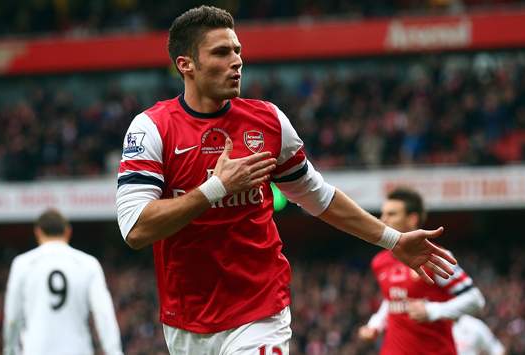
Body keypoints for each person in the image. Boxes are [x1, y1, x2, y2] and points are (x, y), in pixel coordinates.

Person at [115, 6, 457, 354]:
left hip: (260, 311)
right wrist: (215, 189)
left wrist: (393, 240)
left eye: (237, 51)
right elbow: (136, 229)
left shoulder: (269, 122)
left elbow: (318, 197)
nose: (236, 62)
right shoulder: (152, 129)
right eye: (221, 52)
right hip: (185, 319)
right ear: (185, 64)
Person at [358, 187, 485, 355]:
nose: (383, 220)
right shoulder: (380, 261)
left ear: (412, 219)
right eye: (383, 213)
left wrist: (433, 311)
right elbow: (392, 299)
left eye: (392, 214)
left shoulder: (436, 257)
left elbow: (475, 300)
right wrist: (375, 325)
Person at [3, 208, 123, 355]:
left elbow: (13, 317)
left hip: (35, 349)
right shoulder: (88, 264)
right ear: (68, 231)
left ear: (38, 232)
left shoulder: (22, 264)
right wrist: (114, 351)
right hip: (78, 350)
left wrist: (10, 350)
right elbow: (104, 314)